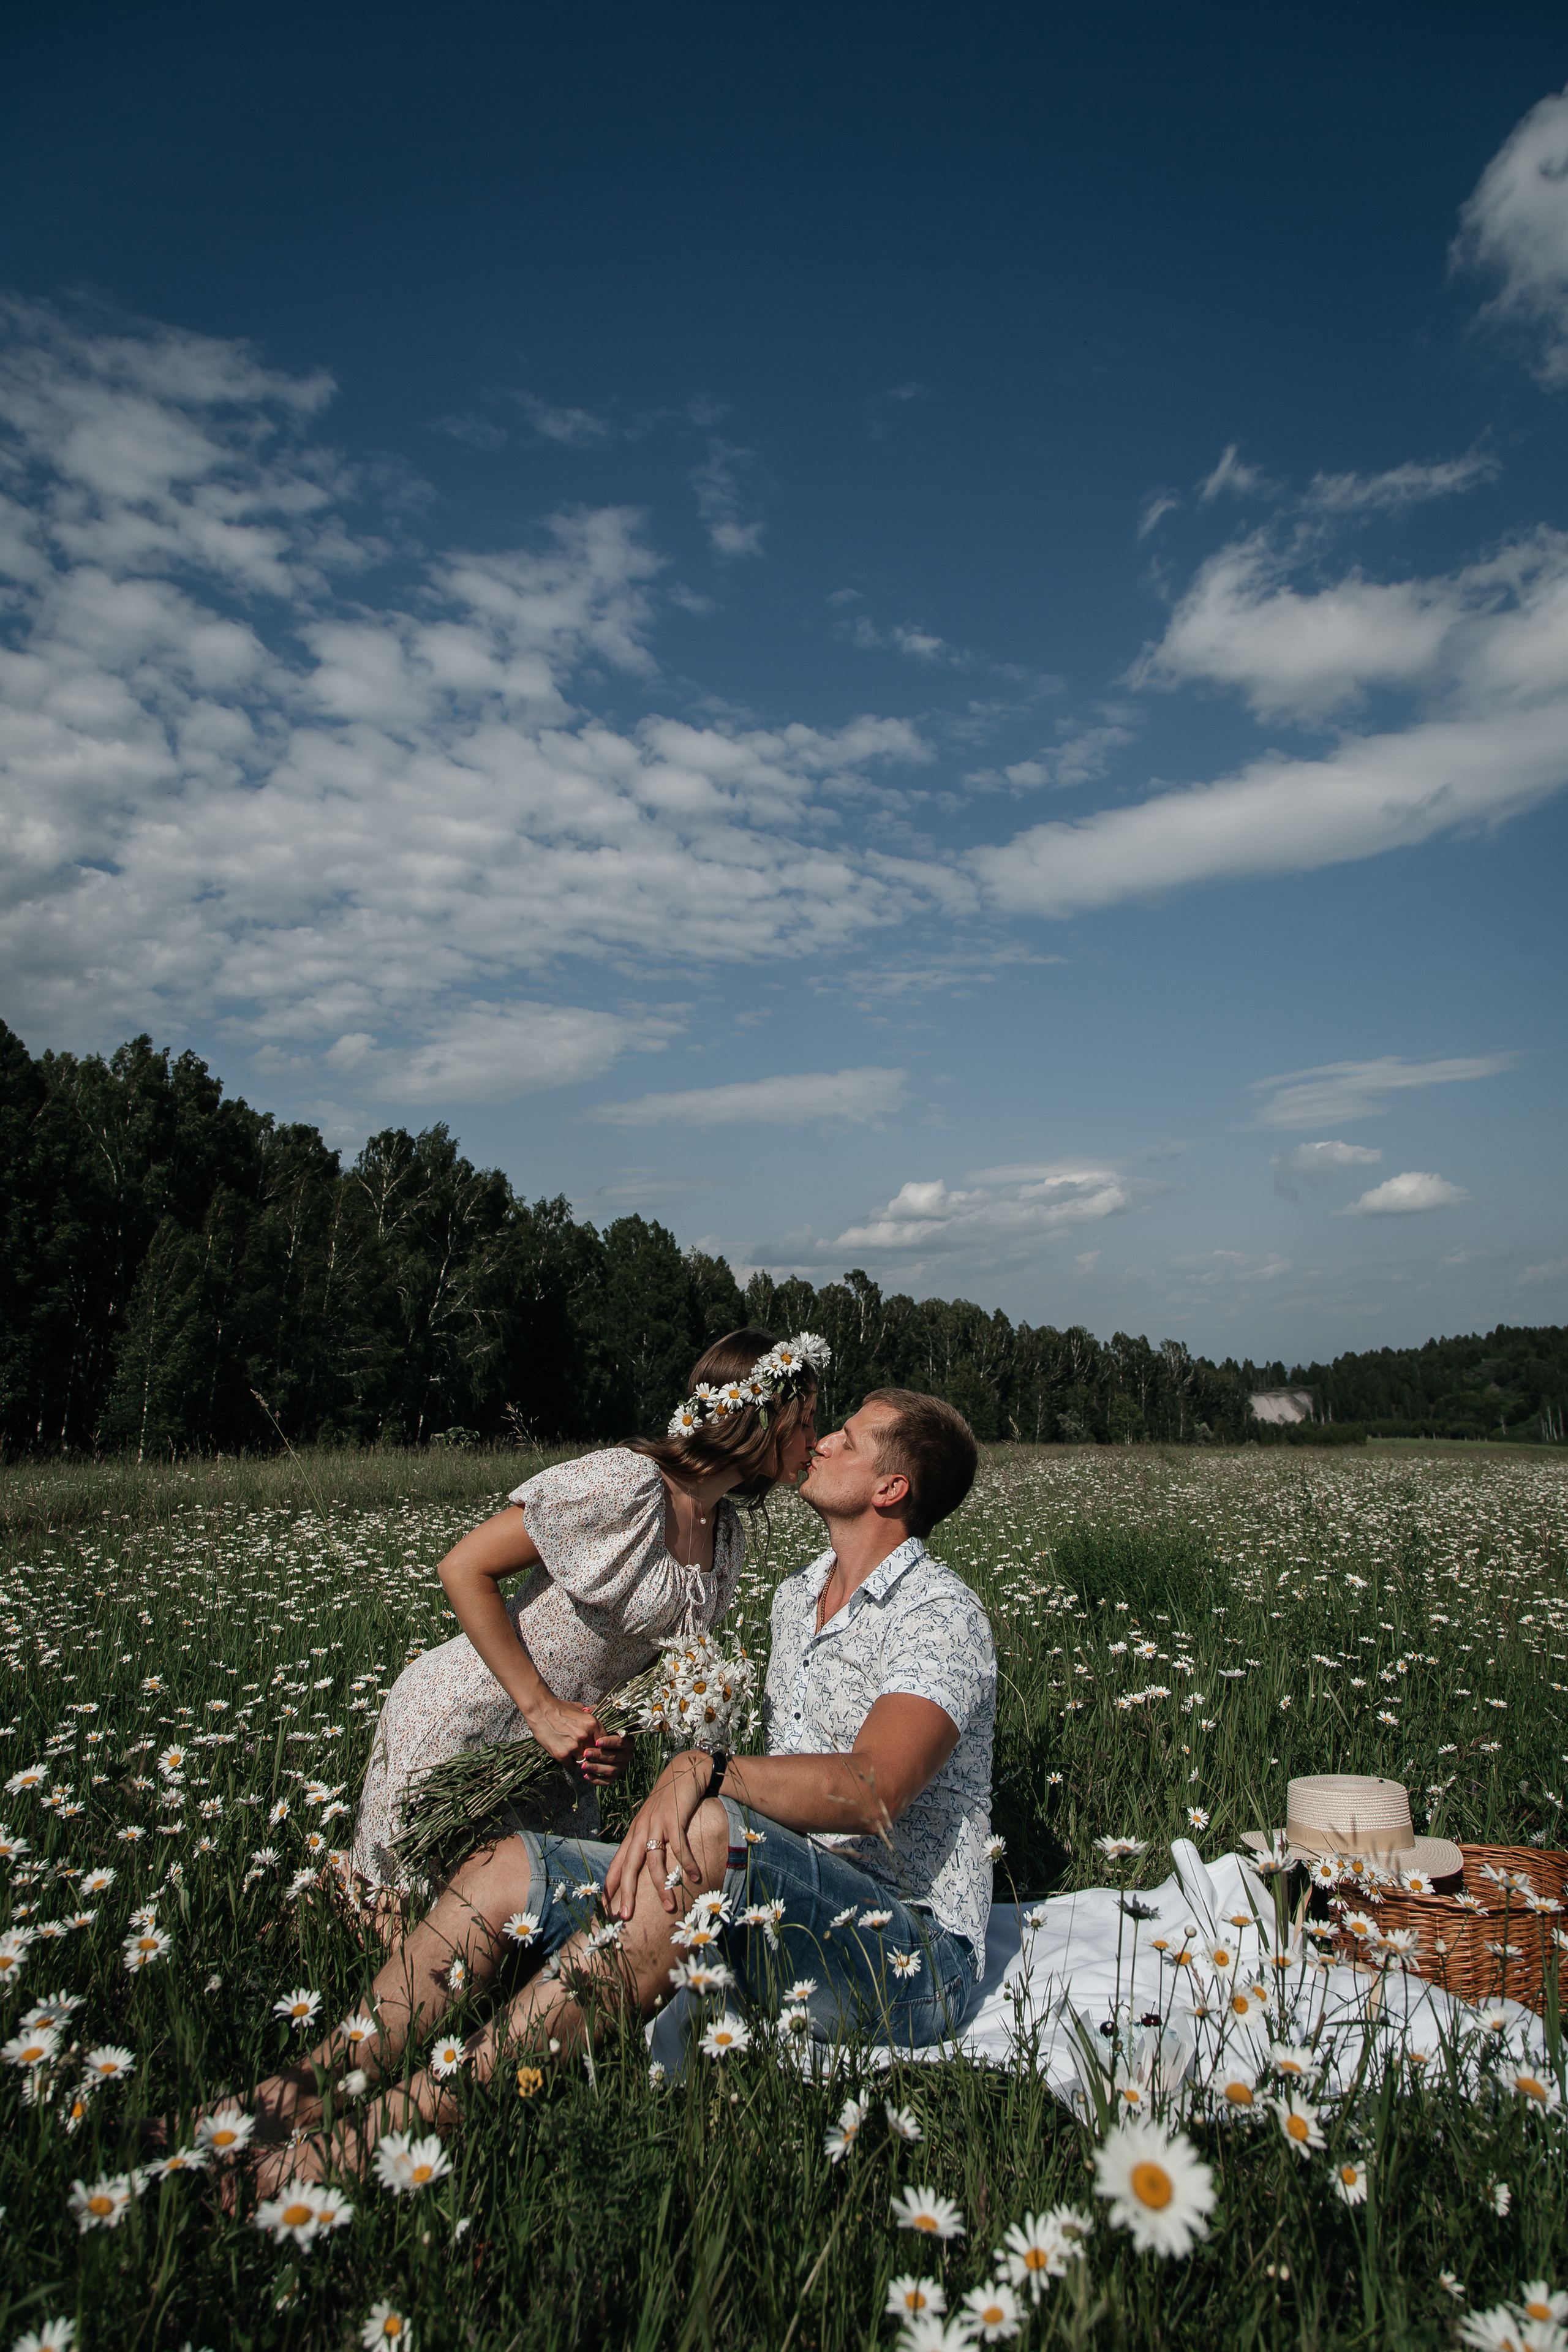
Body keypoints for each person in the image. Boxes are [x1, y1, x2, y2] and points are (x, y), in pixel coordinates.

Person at [252, 1385, 987, 2184]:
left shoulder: (939, 1612)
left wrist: (704, 1770)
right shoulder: (796, 1597)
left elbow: (876, 1789)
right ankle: (279, 2104)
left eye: (849, 1437)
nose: (825, 1440)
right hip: (774, 1910)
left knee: (710, 1832)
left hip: (907, 1956)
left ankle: (368, 2144)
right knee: (504, 1865)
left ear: (891, 1488)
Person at [347, 1327, 823, 1899]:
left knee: (507, 1925)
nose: (814, 1440)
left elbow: (652, 1668)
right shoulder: (626, 1485)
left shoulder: (727, 1539)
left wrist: (620, 1738)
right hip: (468, 1721)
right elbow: (463, 1568)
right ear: (760, 1416)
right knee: (394, 1914)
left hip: (552, 1764)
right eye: (805, 1420)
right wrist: (542, 1708)